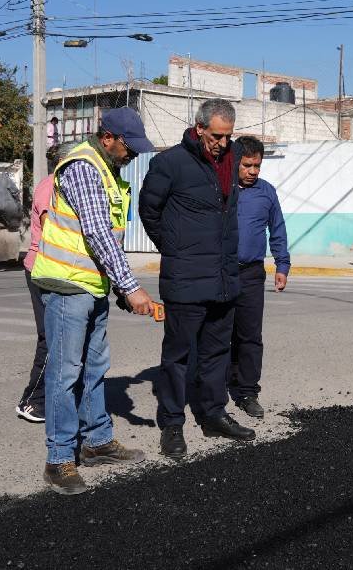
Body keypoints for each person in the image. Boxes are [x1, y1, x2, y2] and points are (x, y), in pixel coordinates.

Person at [29, 107, 156, 494]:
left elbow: (108, 237)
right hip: (68, 285)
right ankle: (59, 460)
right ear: (107, 138)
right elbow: (99, 233)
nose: (132, 154)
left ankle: (98, 442)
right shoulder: (83, 167)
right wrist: (131, 288)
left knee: (95, 367)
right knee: (65, 374)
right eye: (128, 146)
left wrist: (116, 287)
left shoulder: (109, 170)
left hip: (92, 284)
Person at [139, 98, 252, 460]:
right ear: (199, 128)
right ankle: (172, 424)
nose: (222, 143)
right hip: (185, 279)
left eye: (227, 136)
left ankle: (214, 413)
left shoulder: (232, 160)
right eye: (216, 136)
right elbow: (148, 210)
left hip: (223, 279)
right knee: (178, 356)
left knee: (217, 352)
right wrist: (174, 247)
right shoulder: (169, 162)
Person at [229, 136, 290, 419]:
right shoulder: (221, 188)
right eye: (247, 165)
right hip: (220, 272)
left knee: (250, 336)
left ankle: (247, 391)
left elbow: (277, 229)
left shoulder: (267, 192)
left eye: (257, 166)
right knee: (218, 334)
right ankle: (216, 388)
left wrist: (282, 265)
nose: (253, 171)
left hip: (252, 273)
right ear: (235, 162)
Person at [16, 144, 72, 423]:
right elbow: (54, 229)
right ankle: (33, 400)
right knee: (50, 338)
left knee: (57, 338)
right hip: (44, 270)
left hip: (56, 269)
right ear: (63, 163)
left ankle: (47, 398)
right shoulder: (50, 187)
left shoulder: (60, 185)